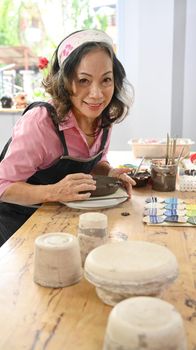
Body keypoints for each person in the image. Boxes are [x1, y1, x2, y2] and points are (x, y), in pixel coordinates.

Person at [0, 29, 135, 246]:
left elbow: (94, 162)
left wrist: (109, 173)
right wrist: (55, 191)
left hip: (62, 223)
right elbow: (3, 186)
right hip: (17, 227)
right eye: (83, 80)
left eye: (106, 80)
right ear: (64, 81)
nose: (97, 94)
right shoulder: (41, 122)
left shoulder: (104, 117)